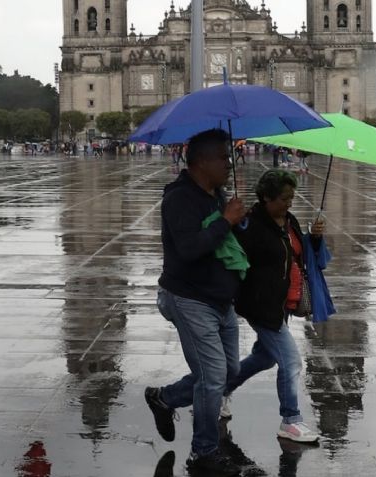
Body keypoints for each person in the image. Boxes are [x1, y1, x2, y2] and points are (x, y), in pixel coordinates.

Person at [145, 129, 245, 476]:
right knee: (213, 376)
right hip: (189, 297)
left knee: (229, 372)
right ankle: (203, 451)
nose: (229, 164)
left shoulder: (217, 194)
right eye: (223, 157)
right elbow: (188, 249)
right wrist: (226, 221)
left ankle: (165, 398)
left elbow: (223, 238)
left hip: (220, 299)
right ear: (202, 161)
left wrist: (237, 221)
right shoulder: (179, 198)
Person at [223, 169, 322, 444]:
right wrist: (231, 223)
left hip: (283, 301)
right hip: (261, 304)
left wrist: (313, 238)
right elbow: (234, 258)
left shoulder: (288, 220)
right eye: (284, 198)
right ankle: (290, 420)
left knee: (265, 357)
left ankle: (219, 390)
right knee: (290, 362)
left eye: (292, 197)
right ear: (266, 197)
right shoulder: (250, 224)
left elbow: (297, 253)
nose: (290, 202)